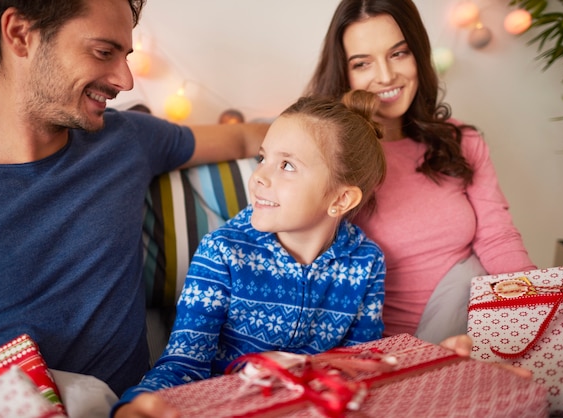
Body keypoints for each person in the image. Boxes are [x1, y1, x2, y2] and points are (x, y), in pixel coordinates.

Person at [0, 0, 268, 402]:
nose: (126, 80)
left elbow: (244, 137)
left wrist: (353, 128)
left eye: (126, 55)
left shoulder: (126, 139)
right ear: (19, 34)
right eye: (103, 52)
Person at [112, 89, 390, 417]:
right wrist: (135, 405)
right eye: (263, 158)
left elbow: (362, 363)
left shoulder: (366, 262)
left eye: (286, 165)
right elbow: (183, 363)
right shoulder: (222, 253)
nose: (259, 176)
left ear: (341, 200)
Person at [305, 0, 536, 344]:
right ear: (344, 73)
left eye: (399, 53)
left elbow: (497, 236)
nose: (385, 76)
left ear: (419, 53)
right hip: (385, 351)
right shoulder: (332, 155)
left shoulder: (461, 141)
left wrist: (541, 299)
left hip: (471, 332)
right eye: (362, 63)